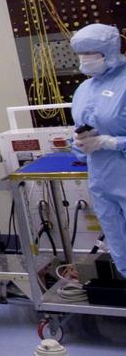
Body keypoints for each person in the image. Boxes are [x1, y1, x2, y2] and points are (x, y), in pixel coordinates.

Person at [70, 23, 126, 275]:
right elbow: (82, 135)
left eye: (91, 53)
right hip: (101, 179)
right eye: (81, 54)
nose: (85, 60)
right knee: (118, 242)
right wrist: (81, 144)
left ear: (110, 51)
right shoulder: (84, 89)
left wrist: (110, 142)